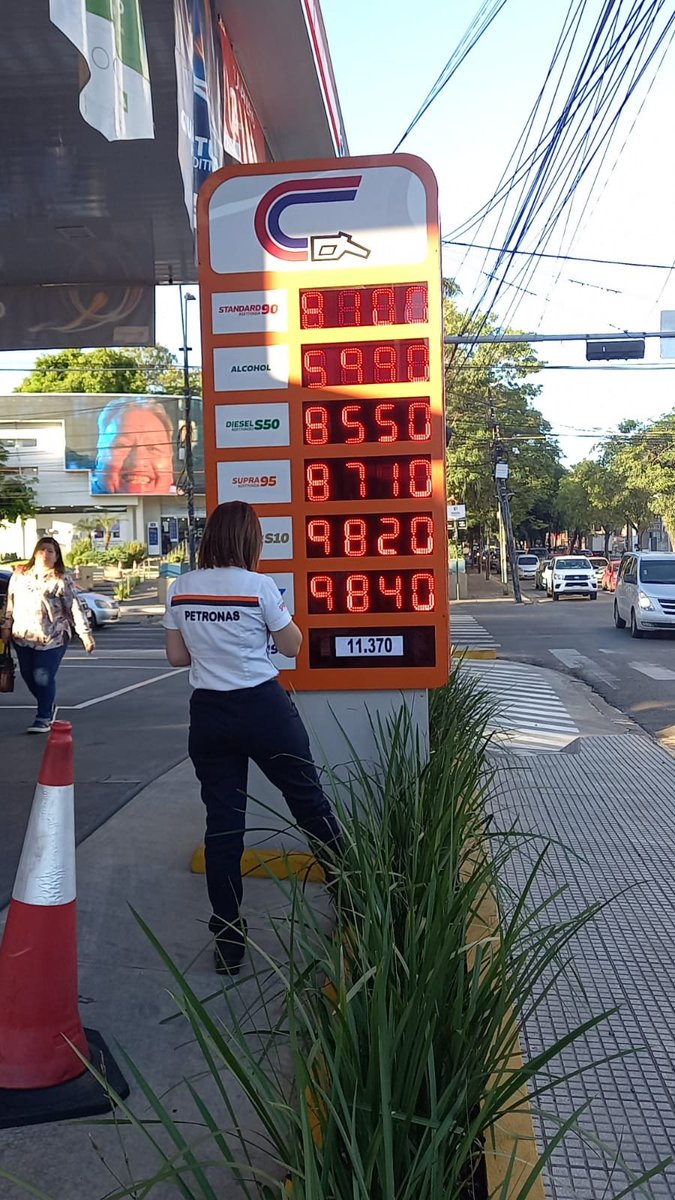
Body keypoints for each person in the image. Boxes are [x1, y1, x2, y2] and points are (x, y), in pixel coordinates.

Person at [163, 501, 341, 976]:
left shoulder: (181, 589)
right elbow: (293, 646)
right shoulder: (259, 586)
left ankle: (228, 941)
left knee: (223, 826)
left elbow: (177, 658)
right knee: (309, 803)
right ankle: (354, 897)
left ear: (210, 537)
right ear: (251, 540)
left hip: (209, 715)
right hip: (262, 708)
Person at [0, 537, 95, 733]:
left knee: (43, 676)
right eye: (42, 550)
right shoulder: (19, 576)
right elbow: (10, 602)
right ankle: (48, 704)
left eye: (50, 551)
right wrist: (6, 626)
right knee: (28, 676)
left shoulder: (61, 579)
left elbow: (74, 608)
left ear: (56, 556)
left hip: (53, 636)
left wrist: (85, 635)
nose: (45, 553)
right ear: (35, 553)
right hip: (23, 635)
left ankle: (43, 716)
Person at [90, 397, 176, 495]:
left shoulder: (189, 505)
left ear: (170, 461)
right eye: (122, 446)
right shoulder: (75, 501)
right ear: (98, 456)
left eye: (153, 448)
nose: (138, 461)